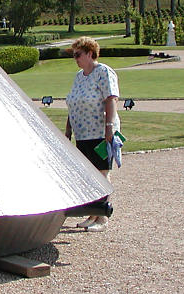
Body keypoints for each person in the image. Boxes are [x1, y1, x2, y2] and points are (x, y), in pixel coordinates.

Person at [64, 37, 120, 232]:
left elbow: (111, 99)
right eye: (74, 55)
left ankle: (102, 217)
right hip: (83, 133)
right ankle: (92, 214)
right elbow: (73, 103)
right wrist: (68, 130)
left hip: (99, 131)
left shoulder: (103, 72)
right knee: (89, 173)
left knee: (102, 172)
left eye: (78, 54)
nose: (76, 58)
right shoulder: (79, 76)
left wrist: (109, 127)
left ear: (89, 53)